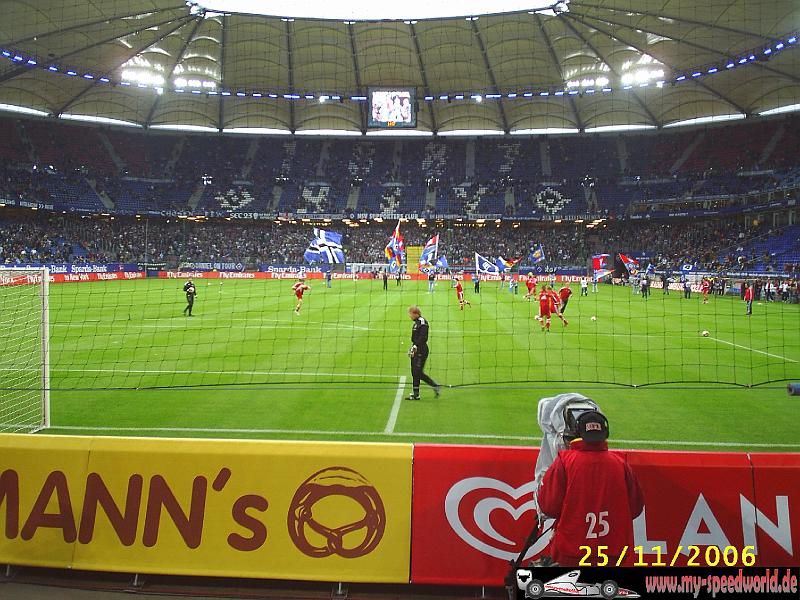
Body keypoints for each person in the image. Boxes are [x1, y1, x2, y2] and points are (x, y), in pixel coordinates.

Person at [537, 410, 645, 567]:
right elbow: (635, 509)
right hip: (615, 554)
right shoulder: (620, 463)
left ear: (577, 432)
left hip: (571, 553)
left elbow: (548, 507)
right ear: (605, 433)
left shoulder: (565, 461)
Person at [406, 306, 441, 400]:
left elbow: (423, 337)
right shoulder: (416, 322)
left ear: (415, 313)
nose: (409, 316)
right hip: (416, 349)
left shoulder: (422, 322)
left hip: (421, 350)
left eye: (410, 314)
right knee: (414, 372)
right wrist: (413, 348)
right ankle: (416, 394)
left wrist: (415, 346)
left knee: (418, 372)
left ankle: (435, 385)